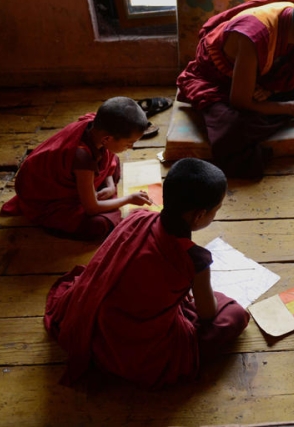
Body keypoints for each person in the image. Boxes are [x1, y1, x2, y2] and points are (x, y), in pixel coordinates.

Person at [43, 158, 250, 388]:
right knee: (234, 314)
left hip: (90, 313)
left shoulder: (137, 218)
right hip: (135, 350)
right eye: (217, 209)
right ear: (199, 215)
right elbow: (208, 313)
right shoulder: (195, 259)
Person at [176, 0, 294, 179]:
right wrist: (290, 108)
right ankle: (264, 119)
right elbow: (239, 101)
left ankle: (261, 117)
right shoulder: (254, 36)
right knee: (232, 130)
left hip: (260, 75)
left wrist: (271, 88)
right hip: (219, 79)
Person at [0, 97, 153, 241]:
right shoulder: (82, 157)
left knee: (115, 161)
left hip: (78, 176)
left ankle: (95, 193)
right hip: (46, 198)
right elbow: (92, 208)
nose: (131, 147)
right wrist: (128, 199)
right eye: (129, 143)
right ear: (107, 139)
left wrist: (111, 186)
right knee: (99, 225)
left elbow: (110, 157)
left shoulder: (93, 125)